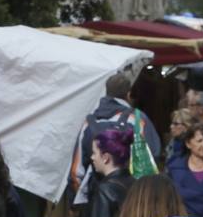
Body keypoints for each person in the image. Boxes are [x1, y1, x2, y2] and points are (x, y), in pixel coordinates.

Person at [67, 72, 161, 201]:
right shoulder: (138, 119)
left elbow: (76, 172)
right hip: (133, 199)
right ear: (128, 94)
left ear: (106, 91)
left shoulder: (90, 122)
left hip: (97, 197)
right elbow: (153, 157)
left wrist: (81, 201)